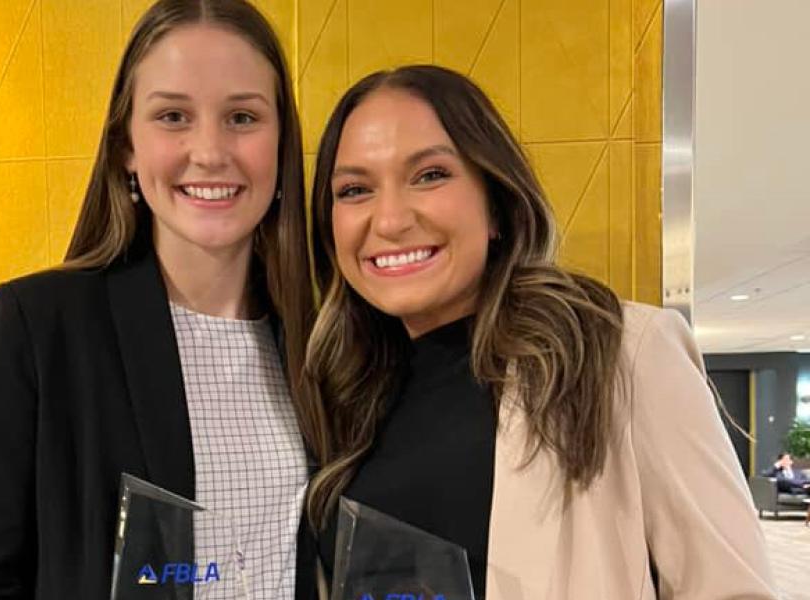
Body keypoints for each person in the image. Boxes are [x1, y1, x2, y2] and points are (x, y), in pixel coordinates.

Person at [301, 65, 777, 599]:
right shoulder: (339, 391)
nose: (388, 220)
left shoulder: (619, 353)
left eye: (430, 175)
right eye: (355, 189)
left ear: (496, 203)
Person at [0, 1, 321, 598]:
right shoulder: (35, 329)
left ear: (281, 144)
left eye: (242, 117)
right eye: (173, 116)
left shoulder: (324, 340)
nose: (209, 151)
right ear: (126, 145)